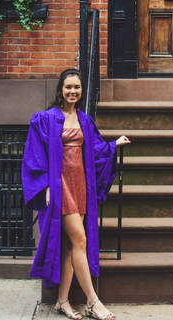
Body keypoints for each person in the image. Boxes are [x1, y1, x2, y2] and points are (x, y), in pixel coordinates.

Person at [22, 69, 130, 320]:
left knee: (72, 245)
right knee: (80, 240)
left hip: (80, 185)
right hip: (60, 186)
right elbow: (35, 156)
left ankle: (62, 301)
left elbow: (96, 150)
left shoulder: (85, 120)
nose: (73, 91)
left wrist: (114, 145)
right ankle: (93, 301)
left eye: (77, 88)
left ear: (82, 91)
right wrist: (46, 187)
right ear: (60, 89)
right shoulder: (45, 119)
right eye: (68, 87)